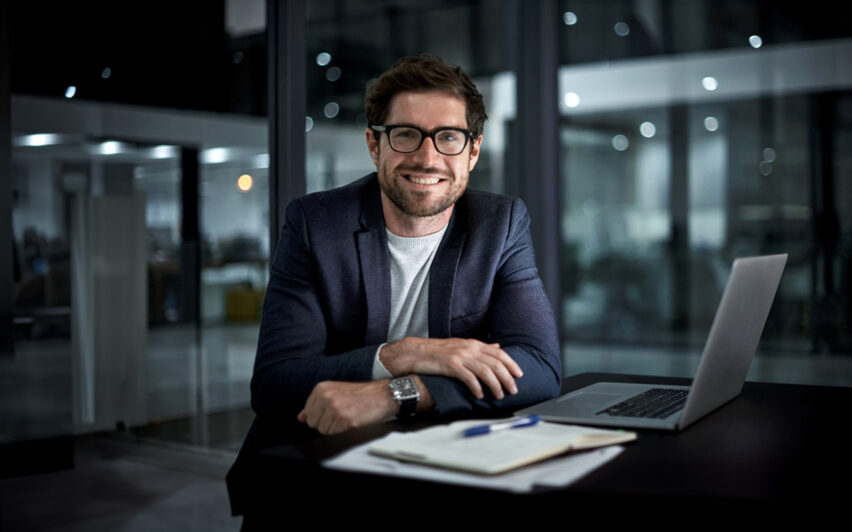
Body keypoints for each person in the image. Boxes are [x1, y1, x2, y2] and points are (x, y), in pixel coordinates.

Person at [228, 54, 561, 516]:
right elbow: (275, 383)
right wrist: (405, 355)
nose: (427, 157)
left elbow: (540, 366)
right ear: (374, 144)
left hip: (438, 464)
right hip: (317, 471)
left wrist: (396, 394)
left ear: (473, 151)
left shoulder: (499, 223)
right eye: (406, 134)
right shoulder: (314, 224)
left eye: (448, 137)